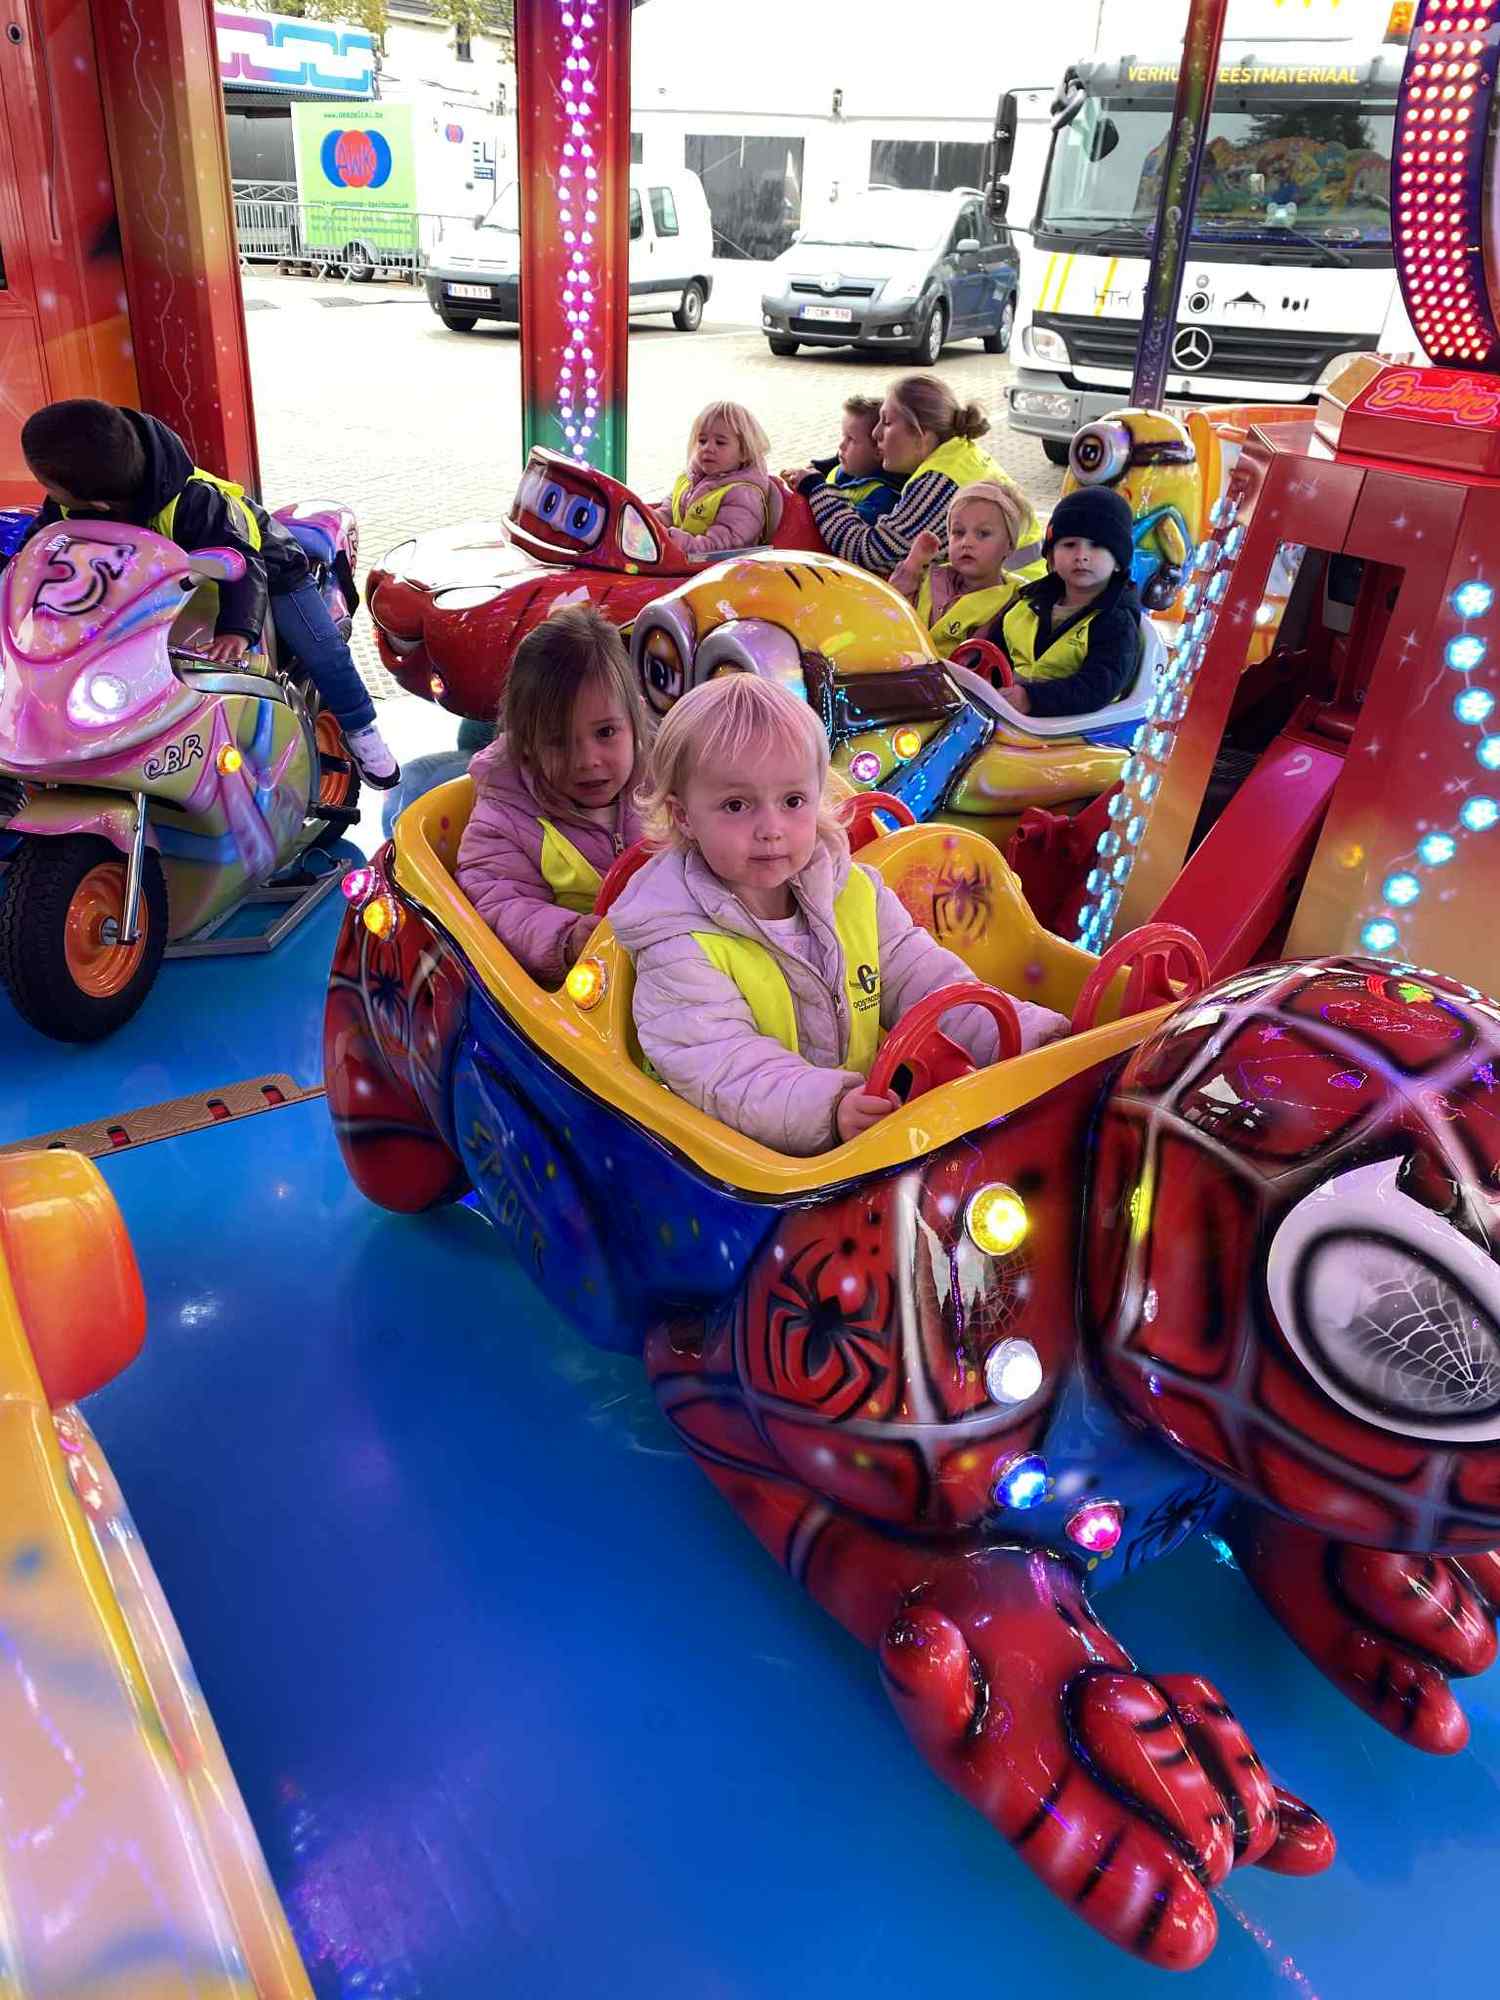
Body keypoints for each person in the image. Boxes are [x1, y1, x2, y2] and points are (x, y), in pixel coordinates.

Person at [610, 675, 1067, 1156]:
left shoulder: (852, 893)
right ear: (684, 816)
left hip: (850, 1139)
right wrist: (830, 1107)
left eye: (792, 801)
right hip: (740, 1167)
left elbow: (926, 980)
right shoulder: (677, 941)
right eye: (736, 805)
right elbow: (723, 1067)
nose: (771, 829)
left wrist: (1018, 1034)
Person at [18, 399, 399, 786]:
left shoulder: (196, 501)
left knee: (323, 649)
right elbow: (36, 550)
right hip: (166, 589)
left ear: (98, 503)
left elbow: (242, 560)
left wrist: (237, 629)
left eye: (48, 485)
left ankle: (361, 729)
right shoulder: (66, 505)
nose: (47, 493)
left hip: (265, 566)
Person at [455, 606, 647, 985]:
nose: (587, 760)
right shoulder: (504, 818)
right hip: (580, 987)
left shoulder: (666, 779)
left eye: (606, 732)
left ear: (634, 721)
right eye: (559, 741)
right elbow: (497, 902)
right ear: (528, 744)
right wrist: (567, 937)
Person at [781, 373, 1041, 580]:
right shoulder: (957, 455)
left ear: (920, 434)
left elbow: (870, 553)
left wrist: (817, 489)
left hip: (1005, 608)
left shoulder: (939, 483)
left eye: (887, 422)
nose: (876, 434)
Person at [983, 487, 1143, 718]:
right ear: (1051, 557)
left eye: (1097, 545)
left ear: (1118, 561)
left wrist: (1031, 698)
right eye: (1069, 545)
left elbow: (1098, 686)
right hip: (1013, 718)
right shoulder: (1026, 605)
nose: (1081, 556)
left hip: (1074, 728)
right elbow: (991, 651)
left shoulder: (1116, 621)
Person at [889, 479, 1044, 659]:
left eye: (983, 534)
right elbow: (891, 606)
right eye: (958, 532)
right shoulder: (930, 577)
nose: (967, 542)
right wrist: (913, 564)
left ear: (1009, 546)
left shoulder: (1013, 604)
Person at [653, 400, 777, 557]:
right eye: (702, 440)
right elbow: (667, 514)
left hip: (712, 567)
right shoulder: (687, 480)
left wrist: (676, 541)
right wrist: (649, 519)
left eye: (720, 442)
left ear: (744, 452)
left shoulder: (742, 495)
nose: (708, 448)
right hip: (676, 558)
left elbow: (722, 548)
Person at [805, 395, 904, 526]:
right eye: (843, 435)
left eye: (851, 439)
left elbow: (845, 529)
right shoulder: (849, 467)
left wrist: (813, 488)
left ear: (879, 450)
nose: (841, 445)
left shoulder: (883, 497)